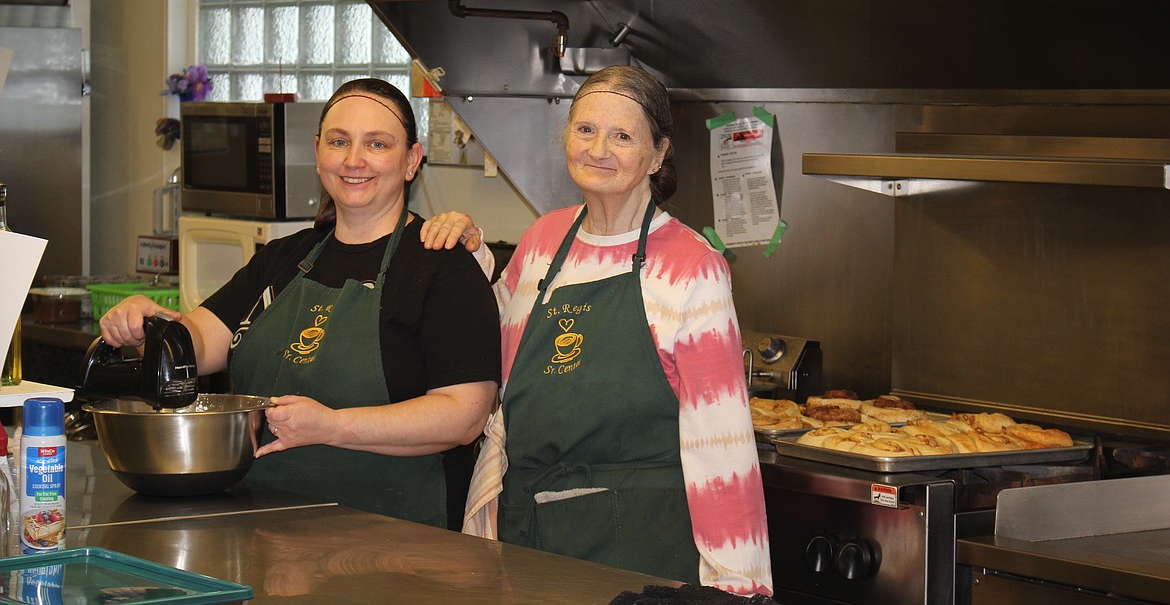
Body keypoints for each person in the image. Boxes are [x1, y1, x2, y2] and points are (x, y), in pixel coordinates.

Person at [421, 65, 772, 595]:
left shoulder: (692, 267)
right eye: (585, 130)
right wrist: (468, 256)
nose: (598, 149)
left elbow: (722, 444)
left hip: (637, 555)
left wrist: (739, 588)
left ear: (657, 155)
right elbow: (485, 340)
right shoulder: (544, 238)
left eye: (622, 136)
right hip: (526, 537)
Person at [99, 78, 501, 530]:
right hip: (267, 527)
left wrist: (332, 426)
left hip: (398, 541)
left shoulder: (443, 267)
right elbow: (193, 344)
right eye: (339, 141)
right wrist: (148, 325)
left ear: (411, 160)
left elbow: (463, 415)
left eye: (377, 144)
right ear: (317, 152)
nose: (354, 160)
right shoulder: (283, 258)